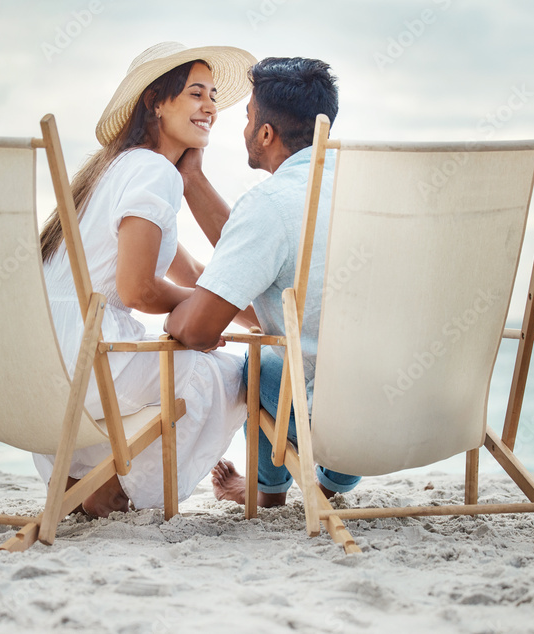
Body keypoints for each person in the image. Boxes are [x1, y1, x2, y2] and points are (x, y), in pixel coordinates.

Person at [31, 42, 257, 517]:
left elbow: (195, 273)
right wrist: (196, 313)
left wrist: (246, 314)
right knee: (229, 374)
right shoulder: (152, 172)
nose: (211, 107)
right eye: (196, 93)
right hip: (89, 359)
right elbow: (137, 290)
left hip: (42, 360)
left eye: (214, 95)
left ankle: (84, 477)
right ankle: (117, 488)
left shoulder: (115, 169)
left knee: (192, 359)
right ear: (156, 101)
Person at [165, 56, 361, 507]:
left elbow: (197, 331)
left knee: (260, 363)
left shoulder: (272, 204)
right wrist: (191, 178)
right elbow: (260, 252)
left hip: (331, 415)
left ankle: (266, 491)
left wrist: (174, 310)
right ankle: (330, 485)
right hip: (411, 406)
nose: (243, 128)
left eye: (249, 117)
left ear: (267, 133)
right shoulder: (369, 191)